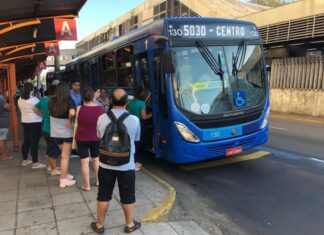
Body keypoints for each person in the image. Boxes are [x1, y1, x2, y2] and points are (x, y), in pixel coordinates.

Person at [91, 89, 141, 234]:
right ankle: (130, 224)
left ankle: (99, 225)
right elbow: (136, 140)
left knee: (103, 194)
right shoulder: (134, 120)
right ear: (127, 102)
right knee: (128, 195)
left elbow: (99, 135)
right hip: (127, 165)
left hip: (105, 164)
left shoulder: (101, 118)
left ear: (111, 101)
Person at [75, 87, 105, 191]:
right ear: (93, 97)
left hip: (81, 138)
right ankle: (98, 181)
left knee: (84, 162)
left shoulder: (79, 108)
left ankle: (86, 185)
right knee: (96, 159)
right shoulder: (100, 109)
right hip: (95, 138)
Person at [49, 82, 76, 187]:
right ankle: (63, 179)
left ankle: (65, 174)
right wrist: (70, 120)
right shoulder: (70, 101)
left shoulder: (51, 101)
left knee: (63, 155)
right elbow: (73, 113)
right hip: (66, 133)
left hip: (55, 133)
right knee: (65, 156)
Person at [33, 85, 61, 175]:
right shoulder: (56, 101)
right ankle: (53, 170)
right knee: (53, 150)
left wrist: (42, 116)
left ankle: (51, 166)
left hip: (45, 128)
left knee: (50, 148)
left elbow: (34, 108)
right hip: (53, 130)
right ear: (56, 92)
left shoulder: (44, 100)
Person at [18, 83, 46, 168]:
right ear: (31, 90)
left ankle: (25, 160)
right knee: (34, 142)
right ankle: (35, 163)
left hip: (25, 122)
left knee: (26, 141)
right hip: (35, 122)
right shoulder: (34, 99)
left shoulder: (20, 99)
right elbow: (39, 110)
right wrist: (43, 116)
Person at [127, 87, 152, 171]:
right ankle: (136, 160)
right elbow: (144, 117)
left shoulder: (130, 103)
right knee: (138, 143)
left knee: (132, 141)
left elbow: (128, 114)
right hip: (139, 124)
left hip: (130, 124)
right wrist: (152, 114)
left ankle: (133, 159)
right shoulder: (142, 103)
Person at [0, 91, 12, 160]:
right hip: (2, 122)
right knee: (2, 139)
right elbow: (6, 107)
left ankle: (3, 154)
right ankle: (4, 155)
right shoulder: (1, 98)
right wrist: (8, 104)